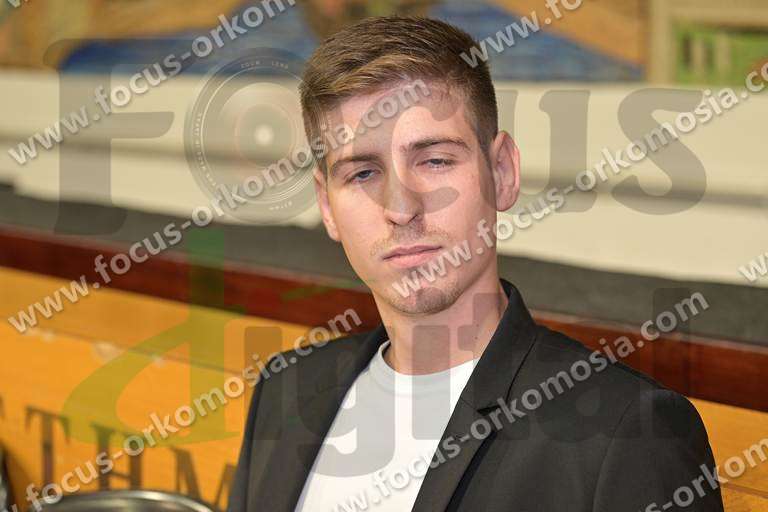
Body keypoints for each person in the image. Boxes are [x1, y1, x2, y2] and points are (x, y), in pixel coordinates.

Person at [228, 15, 724, 512]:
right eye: (361, 173)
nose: (400, 208)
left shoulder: (631, 432)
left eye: (435, 160)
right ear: (327, 205)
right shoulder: (285, 391)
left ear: (502, 172)